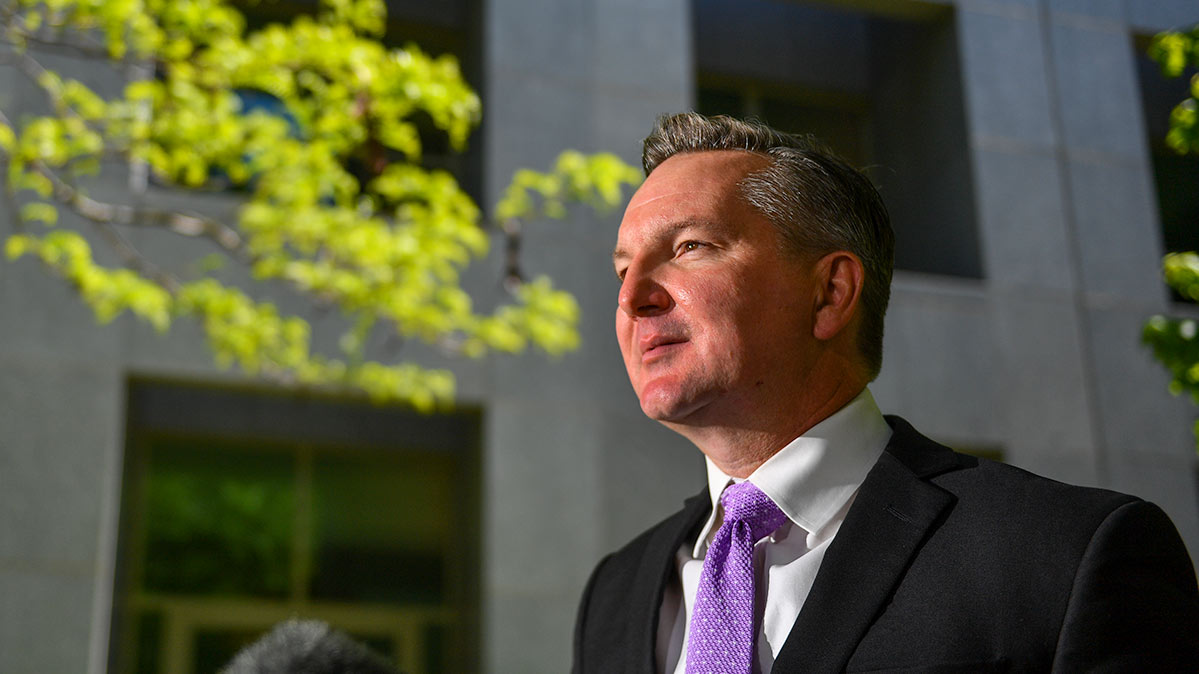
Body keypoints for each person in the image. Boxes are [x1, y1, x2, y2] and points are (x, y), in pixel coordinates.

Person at [572, 112, 1199, 674]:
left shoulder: (1071, 556)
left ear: (831, 293)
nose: (633, 298)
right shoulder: (616, 592)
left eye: (690, 248)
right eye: (624, 270)